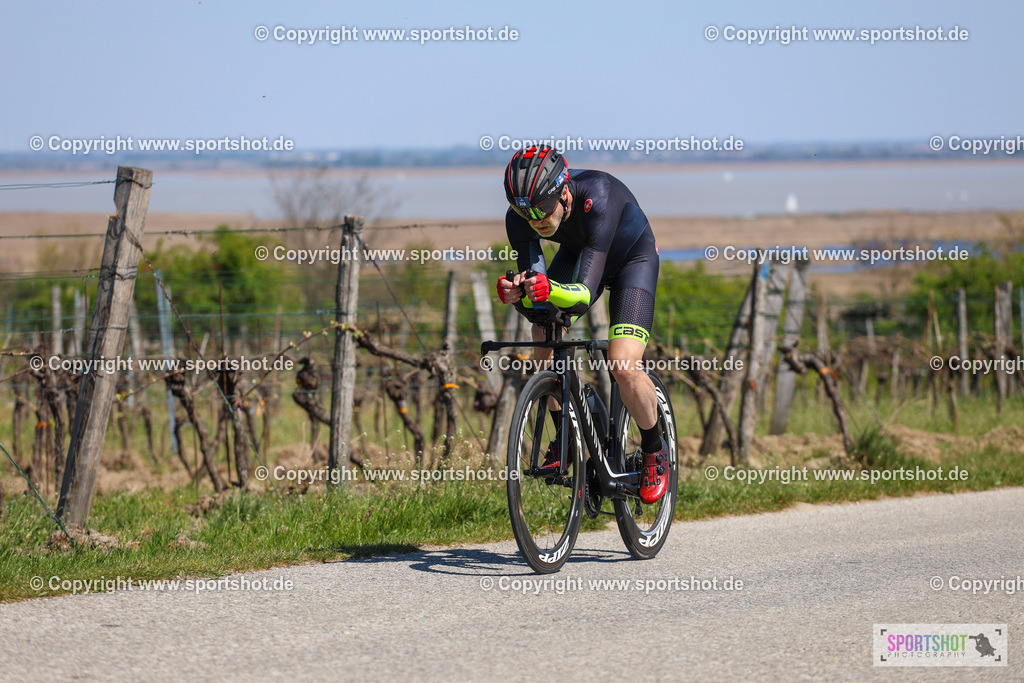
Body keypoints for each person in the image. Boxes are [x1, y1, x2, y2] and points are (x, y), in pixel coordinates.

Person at [495, 145, 668, 504]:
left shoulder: (599, 196)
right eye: (523, 212)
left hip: (631, 262)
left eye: (542, 208)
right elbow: (539, 290)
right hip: (581, 255)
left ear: (563, 189)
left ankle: (655, 450)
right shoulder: (522, 217)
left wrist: (543, 290)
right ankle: (566, 434)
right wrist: (519, 294)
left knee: (623, 364)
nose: (535, 220)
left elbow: (585, 294)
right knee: (541, 330)